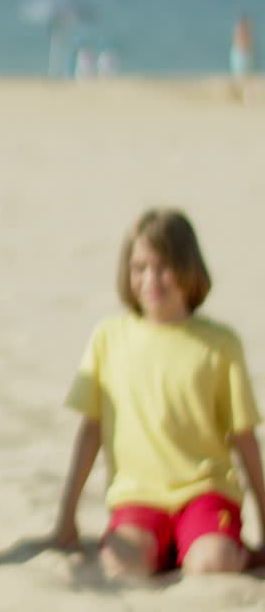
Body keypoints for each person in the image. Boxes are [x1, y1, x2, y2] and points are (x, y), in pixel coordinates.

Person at [50, 208, 265, 577]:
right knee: (120, 566)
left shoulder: (219, 344)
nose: (151, 279)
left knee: (212, 564)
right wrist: (66, 517)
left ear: (188, 269)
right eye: (140, 267)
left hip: (205, 493)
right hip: (137, 497)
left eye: (164, 267)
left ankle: (223, 549)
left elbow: (243, 438)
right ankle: (167, 551)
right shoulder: (109, 338)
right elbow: (91, 432)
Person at [231, 13, 255, 101]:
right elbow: (241, 41)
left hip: (242, 53)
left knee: (244, 76)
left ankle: (241, 95)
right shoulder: (241, 29)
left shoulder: (243, 29)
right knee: (241, 76)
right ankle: (240, 95)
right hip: (240, 53)